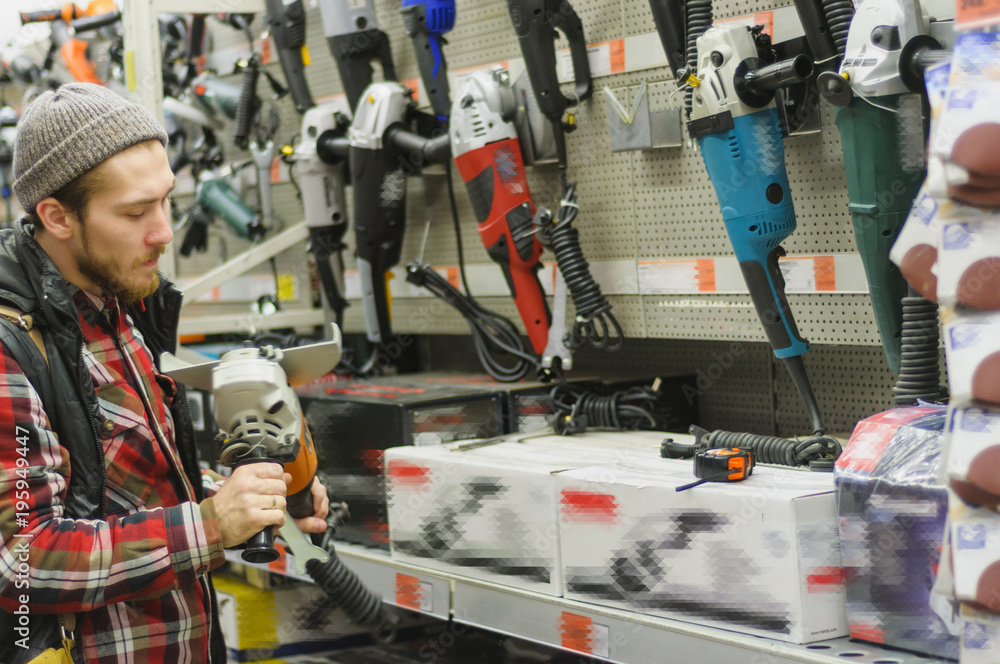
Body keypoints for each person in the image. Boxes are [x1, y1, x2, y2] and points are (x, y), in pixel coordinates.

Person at [0, 83, 330, 663]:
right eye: (135, 211)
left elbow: (128, 490)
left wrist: (246, 497)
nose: (164, 231)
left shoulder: (120, 306)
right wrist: (209, 525)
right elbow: (23, 560)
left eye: (166, 200)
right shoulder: (12, 347)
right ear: (56, 217)